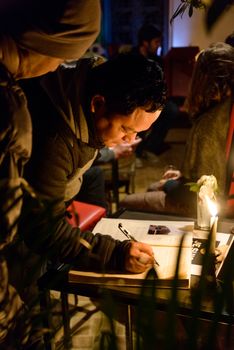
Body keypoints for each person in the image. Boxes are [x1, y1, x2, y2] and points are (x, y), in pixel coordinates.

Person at [7, 53, 165, 321]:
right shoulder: (55, 139)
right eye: (126, 129)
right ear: (98, 104)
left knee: (92, 178)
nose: (131, 139)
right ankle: (32, 310)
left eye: (138, 133)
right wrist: (114, 253)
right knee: (29, 296)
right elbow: (42, 228)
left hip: (52, 197)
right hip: (17, 226)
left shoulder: (89, 91)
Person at [0, 0, 101, 347]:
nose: (61, 67)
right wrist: (13, 322)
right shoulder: (10, 109)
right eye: (64, 56)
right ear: (47, 45)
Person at [120, 42, 234, 219]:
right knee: (154, 188)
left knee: (127, 203)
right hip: (221, 201)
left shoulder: (208, 125)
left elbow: (199, 193)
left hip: (208, 209)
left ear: (203, 79)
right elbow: (217, 172)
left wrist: (168, 184)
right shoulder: (227, 113)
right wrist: (182, 176)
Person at [130, 23, 180, 161]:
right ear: (145, 43)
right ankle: (136, 150)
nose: (158, 45)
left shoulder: (157, 61)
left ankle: (151, 146)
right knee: (141, 111)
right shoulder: (130, 58)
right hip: (134, 99)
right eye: (156, 42)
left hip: (152, 98)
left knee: (171, 109)